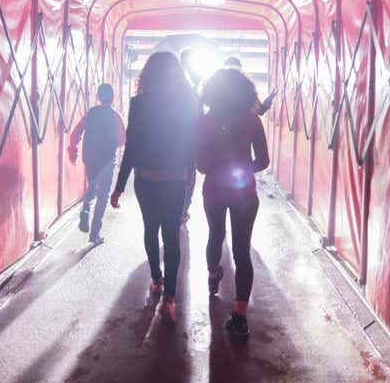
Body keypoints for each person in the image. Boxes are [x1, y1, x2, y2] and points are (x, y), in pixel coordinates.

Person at [110, 52, 198, 324]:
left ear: (148, 74)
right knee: (172, 235)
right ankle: (169, 298)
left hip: (145, 178)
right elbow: (189, 144)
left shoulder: (139, 103)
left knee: (150, 229)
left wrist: (119, 186)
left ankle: (156, 279)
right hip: (173, 178)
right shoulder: (187, 102)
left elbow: (132, 147)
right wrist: (188, 176)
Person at [196, 68, 270, 340]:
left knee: (215, 234)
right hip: (244, 193)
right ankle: (240, 317)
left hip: (214, 189)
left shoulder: (205, 122)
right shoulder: (252, 121)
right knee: (242, 251)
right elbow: (263, 161)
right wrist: (242, 167)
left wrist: (220, 166)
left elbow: (201, 165)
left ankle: (213, 275)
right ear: (244, 92)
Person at [68, 83, 126, 245]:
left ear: (98, 97)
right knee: (103, 196)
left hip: (90, 158)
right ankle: (94, 234)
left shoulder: (91, 114)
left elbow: (76, 133)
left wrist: (74, 148)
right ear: (113, 97)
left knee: (92, 186)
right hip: (107, 161)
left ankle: (85, 209)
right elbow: (122, 139)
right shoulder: (115, 116)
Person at [179, 47, 202, 224]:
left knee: (175, 175)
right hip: (191, 139)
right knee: (189, 177)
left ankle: (178, 209)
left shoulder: (173, 80)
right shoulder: (195, 84)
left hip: (174, 140)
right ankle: (183, 210)